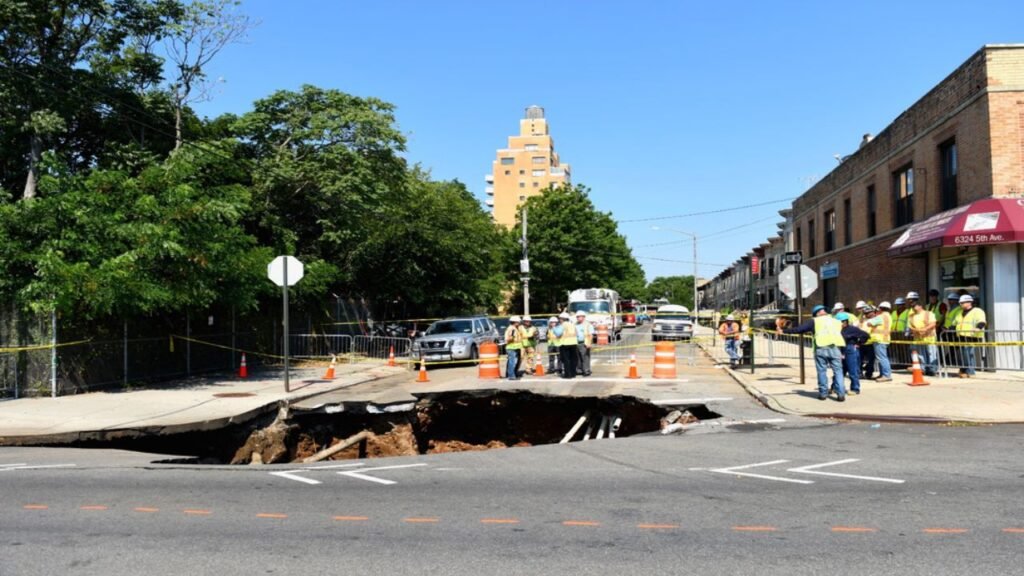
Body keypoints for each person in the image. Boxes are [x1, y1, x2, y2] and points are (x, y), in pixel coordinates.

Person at [780, 304, 847, 401]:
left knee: (822, 371)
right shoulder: (836, 321)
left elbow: (800, 329)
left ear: (817, 313)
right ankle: (841, 394)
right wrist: (843, 351)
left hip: (821, 348)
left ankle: (823, 394)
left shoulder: (814, 321)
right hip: (835, 348)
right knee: (838, 372)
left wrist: (784, 331)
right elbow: (842, 335)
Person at [836, 312, 870, 395]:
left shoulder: (852, 329)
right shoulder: (837, 329)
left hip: (850, 349)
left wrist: (859, 343)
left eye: (841, 322)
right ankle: (835, 387)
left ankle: (855, 389)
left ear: (845, 321)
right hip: (841, 350)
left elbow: (865, 335)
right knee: (839, 371)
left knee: (853, 370)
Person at [955, 294, 987, 378]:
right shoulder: (959, 312)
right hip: (961, 336)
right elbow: (955, 323)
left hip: (972, 336)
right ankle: (964, 370)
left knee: (969, 354)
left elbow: (982, 321)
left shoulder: (977, 311)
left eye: (962, 303)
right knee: (962, 354)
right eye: (960, 303)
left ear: (969, 302)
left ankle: (970, 371)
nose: (960, 304)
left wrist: (978, 328)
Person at [908, 298, 938, 376]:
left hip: (929, 337)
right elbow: (910, 326)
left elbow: (933, 323)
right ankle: (923, 368)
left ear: (920, 306)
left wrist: (925, 329)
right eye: (912, 306)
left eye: (914, 306)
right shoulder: (911, 316)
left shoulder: (928, 313)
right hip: (918, 338)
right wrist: (915, 331)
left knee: (931, 353)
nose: (913, 308)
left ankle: (932, 369)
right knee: (921, 354)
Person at [866, 301, 893, 382]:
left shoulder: (880, 316)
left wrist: (873, 316)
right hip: (885, 339)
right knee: (882, 357)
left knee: (882, 358)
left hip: (879, 339)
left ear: (880, 308)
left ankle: (886, 375)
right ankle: (882, 374)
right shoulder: (888, 316)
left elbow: (869, 323)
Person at [557, 312, 578, 379]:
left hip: (565, 343)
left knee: (566, 360)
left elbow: (558, 334)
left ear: (562, 319)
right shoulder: (573, 324)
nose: (559, 320)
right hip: (573, 343)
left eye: (560, 319)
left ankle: (567, 374)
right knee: (573, 359)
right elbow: (577, 333)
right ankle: (573, 373)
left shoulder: (562, 325)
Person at [574, 311, 594, 377]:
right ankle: (579, 370)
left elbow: (590, 335)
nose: (578, 318)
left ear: (583, 317)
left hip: (584, 343)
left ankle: (586, 371)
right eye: (577, 317)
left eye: (579, 317)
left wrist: (589, 343)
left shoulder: (588, 324)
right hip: (576, 343)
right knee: (578, 358)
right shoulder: (575, 324)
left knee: (585, 358)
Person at [504, 316, 524, 380]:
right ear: (515, 322)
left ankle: (511, 374)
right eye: (518, 322)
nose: (519, 323)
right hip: (511, 347)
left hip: (515, 347)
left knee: (513, 361)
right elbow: (509, 338)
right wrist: (511, 338)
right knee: (512, 362)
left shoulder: (515, 328)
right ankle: (511, 376)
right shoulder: (512, 329)